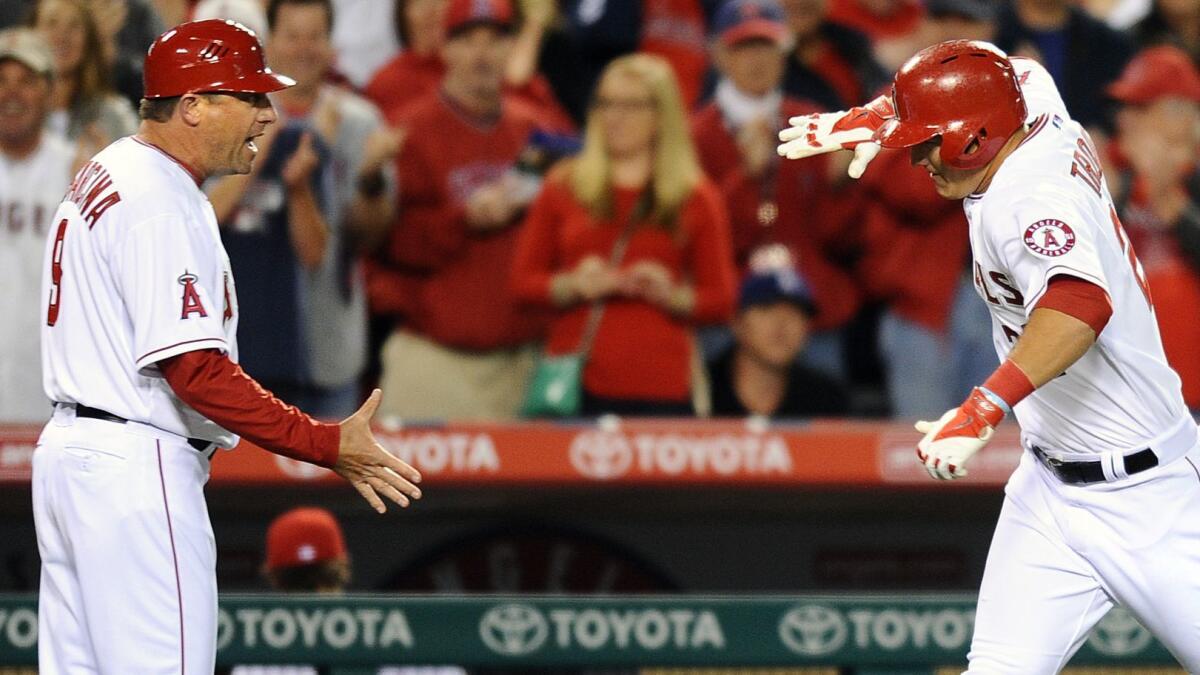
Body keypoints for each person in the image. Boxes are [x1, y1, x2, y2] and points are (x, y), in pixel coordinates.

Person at [781, 39, 1200, 671]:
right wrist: (872, 116)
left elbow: (1080, 307)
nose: (915, 156)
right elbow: (997, 61)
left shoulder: (1025, 200)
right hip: (1050, 491)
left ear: (973, 141)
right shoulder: (1030, 101)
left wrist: (983, 407)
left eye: (925, 142)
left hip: (1152, 494)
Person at [33, 19, 422, 674]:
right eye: (250, 98)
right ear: (192, 106)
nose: (268, 115)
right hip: (136, 465)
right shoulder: (161, 197)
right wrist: (323, 442)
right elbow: (196, 371)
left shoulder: (109, 169)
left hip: (71, 462)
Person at [205, 0, 401, 419]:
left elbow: (366, 237)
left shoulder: (359, 123)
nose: (304, 49)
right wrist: (261, 149)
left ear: (331, 46)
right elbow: (196, 219)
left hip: (326, 351)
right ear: (268, 41)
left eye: (315, 37)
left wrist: (366, 178)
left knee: (327, 483)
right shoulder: (226, 117)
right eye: (292, 36)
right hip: (234, 351)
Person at [511, 53, 736, 416]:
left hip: (663, 385)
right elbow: (523, 283)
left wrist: (670, 295)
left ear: (661, 116)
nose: (614, 117)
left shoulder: (696, 197)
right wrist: (576, 285)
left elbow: (721, 300)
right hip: (575, 380)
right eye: (606, 103)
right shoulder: (563, 185)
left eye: (631, 105)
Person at [369, 0, 549, 421]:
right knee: (414, 485)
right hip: (435, 357)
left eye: (494, 40)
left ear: (511, 49)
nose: (482, 54)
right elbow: (387, 245)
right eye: (468, 41)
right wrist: (463, 220)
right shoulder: (409, 130)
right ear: (445, 49)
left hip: (523, 357)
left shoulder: (537, 131)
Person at [1106, 45, 1200, 409]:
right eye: (1125, 107)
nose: (1125, 119)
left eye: (1141, 108)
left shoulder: (1192, 180)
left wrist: (1173, 207)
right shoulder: (1111, 172)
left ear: (1182, 115)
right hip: (1129, 390)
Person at [0, 28, 76, 423]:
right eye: (1, 81)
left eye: (26, 81)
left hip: (49, 397)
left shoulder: (80, 172)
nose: (11, 94)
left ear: (50, 91)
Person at [707, 258, 849, 417]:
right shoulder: (701, 390)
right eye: (766, 308)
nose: (781, 323)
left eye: (795, 312)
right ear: (736, 322)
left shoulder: (827, 399)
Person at [30, 0, 138, 151]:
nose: (62, 36)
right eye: (51, 23)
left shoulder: (114, 115)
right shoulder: (11, 113)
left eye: (74, 26)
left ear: (88, 40)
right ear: (30, 33)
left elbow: (135, 169)